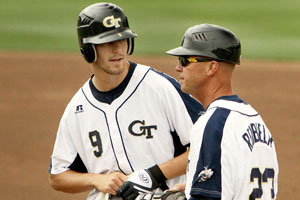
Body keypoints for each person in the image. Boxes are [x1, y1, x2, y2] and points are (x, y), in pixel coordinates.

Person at [48, 2, 204, 200]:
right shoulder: (78, 108)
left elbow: (206, 145)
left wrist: (152, 175)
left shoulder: (159, 87)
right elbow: (58, 176)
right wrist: (96, 180)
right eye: (106, 42)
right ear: (88, 49)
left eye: (122, 40)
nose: (117, 49)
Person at [165, 24, 279, 200]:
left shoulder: (214, 125)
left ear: (211, 67)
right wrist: (192, 188)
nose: (178, 68)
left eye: (186, 59)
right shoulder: (255, 120)